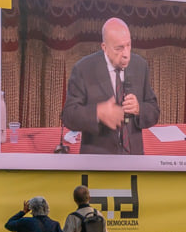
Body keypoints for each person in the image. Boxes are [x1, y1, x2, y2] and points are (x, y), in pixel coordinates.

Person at [60, 18, 161, 155]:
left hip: (134, 160)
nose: (126, 54)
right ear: (105, 48)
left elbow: (154, 110)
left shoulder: (140, 66)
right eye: (119, 48)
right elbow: (68, 116)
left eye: (128, 45)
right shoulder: (84, 69)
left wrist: (139, 109)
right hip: (98, 162)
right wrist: (97, 113)